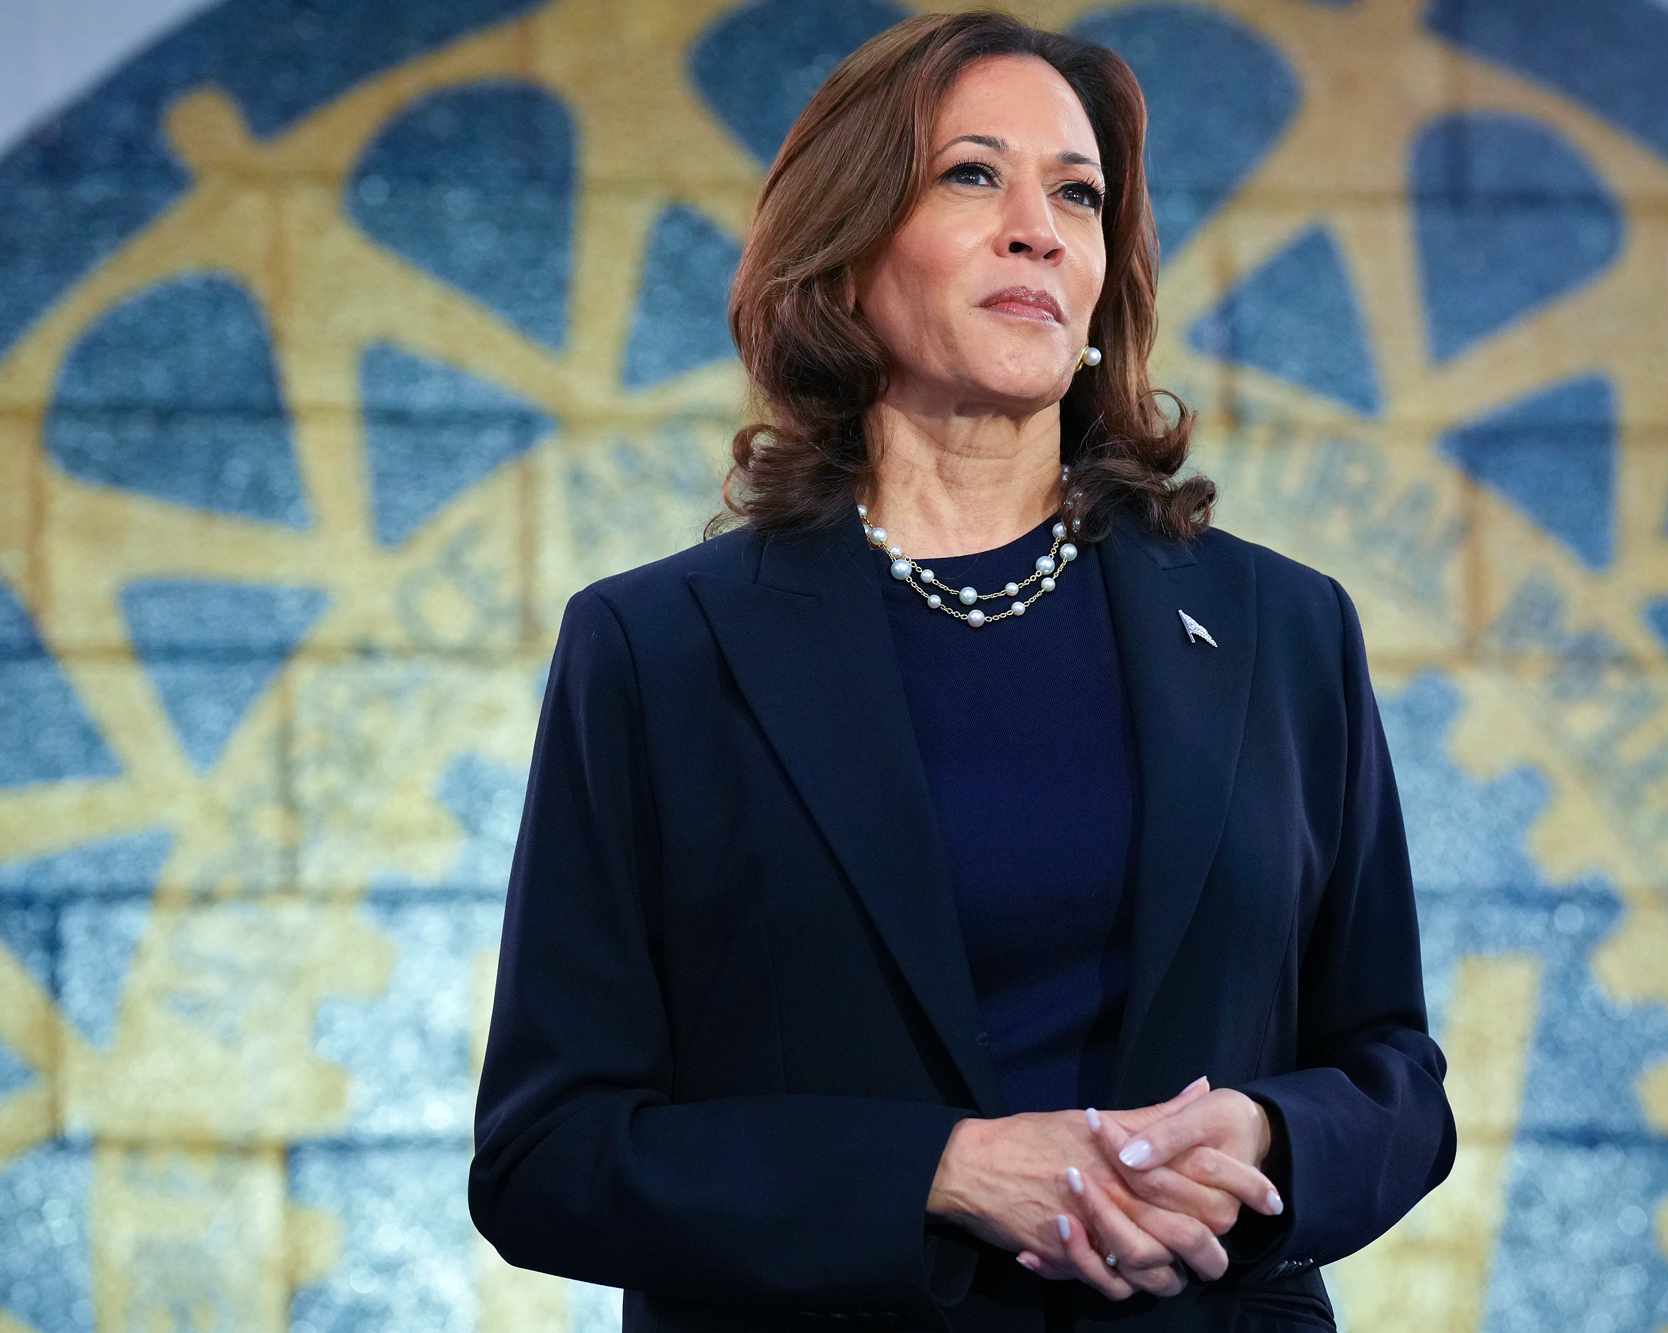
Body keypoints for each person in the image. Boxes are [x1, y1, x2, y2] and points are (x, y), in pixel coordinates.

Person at [467, 10, 1455, 1331]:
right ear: (847, 250)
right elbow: (548, 1155)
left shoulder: (1284, 628)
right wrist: (935, 1171)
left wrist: (1271, 1138)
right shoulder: (658, 651)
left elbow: (1394, 1072)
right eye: (972, 175)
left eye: (1079, 193)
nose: (1039, 227)